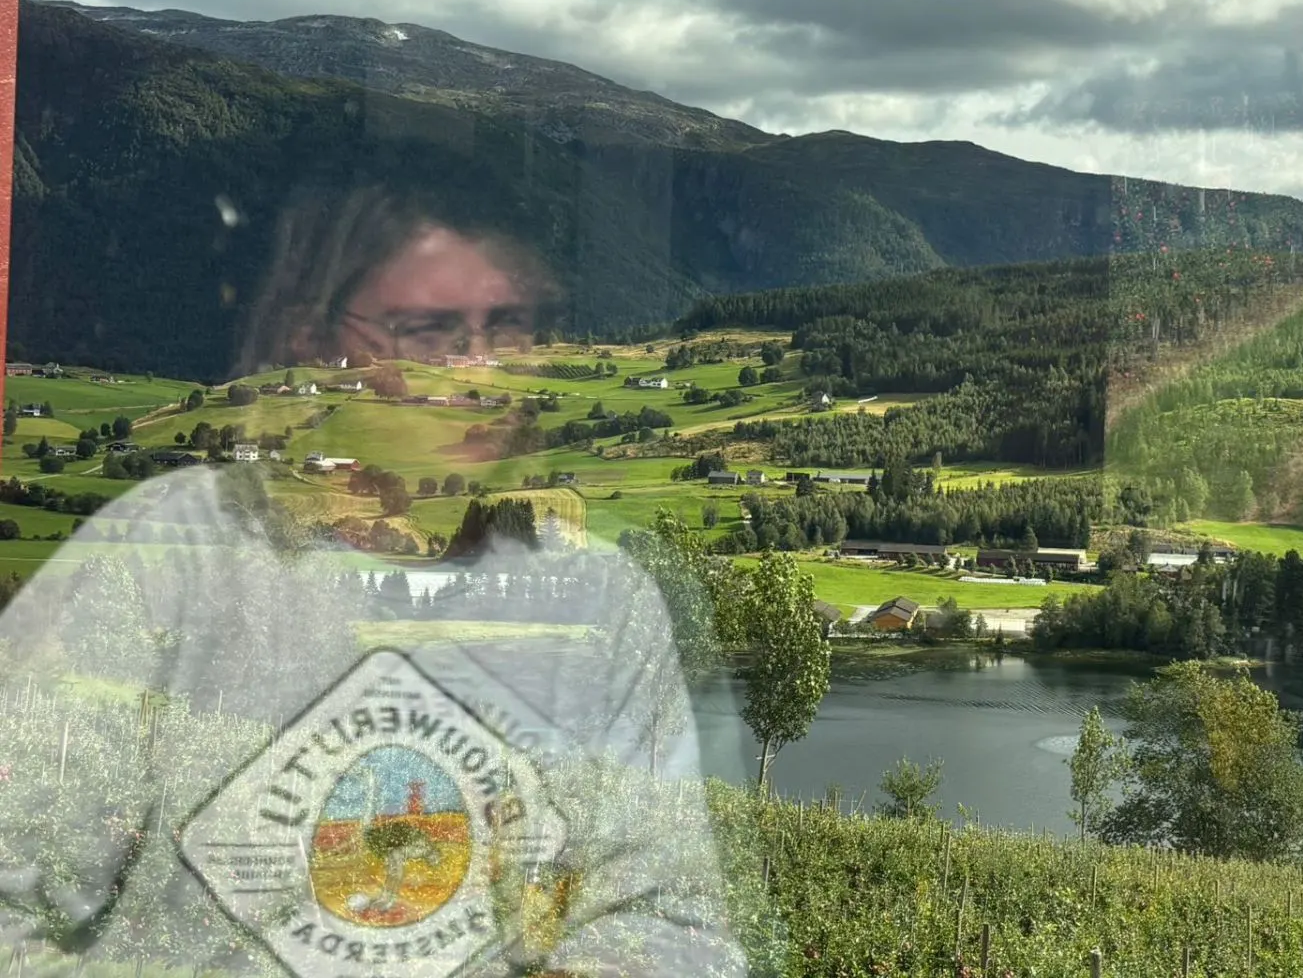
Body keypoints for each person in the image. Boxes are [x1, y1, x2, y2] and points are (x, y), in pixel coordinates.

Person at [0, 182, 751, 978]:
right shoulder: (169, 552)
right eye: (427, 333)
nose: (479, 369)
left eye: (508, 329)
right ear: (318, 348)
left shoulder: (603, 597)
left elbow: (675, 918)